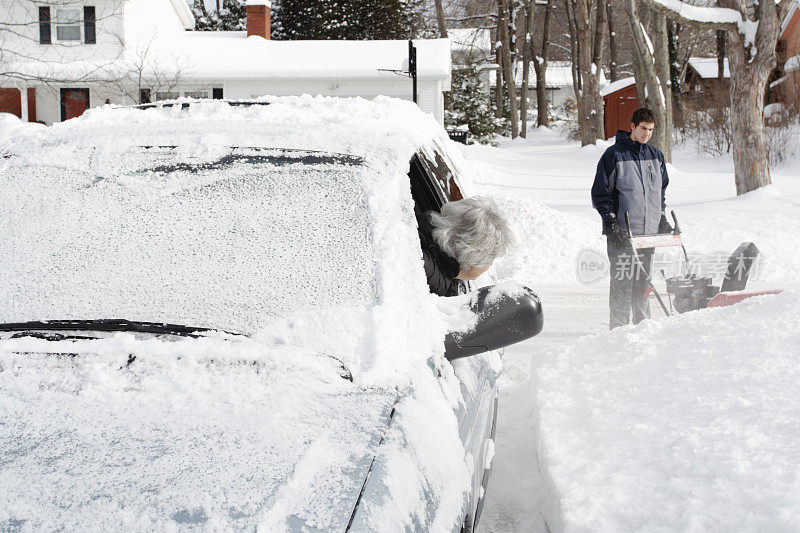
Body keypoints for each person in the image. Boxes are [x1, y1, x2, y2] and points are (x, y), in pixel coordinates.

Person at [591, 107, 673, 329]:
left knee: (643, 283)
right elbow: (600, 193)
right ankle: (618, 331)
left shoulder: (656, 156)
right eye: (643, 129)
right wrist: (610, 220)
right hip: (622, 234)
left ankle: (643, 328)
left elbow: (660, 192)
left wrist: (662, 217)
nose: (647, 134)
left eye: (651, 130)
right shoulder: (614, 156)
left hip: (648, 235)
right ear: (632, 127)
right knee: (622, 284)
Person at [418, 196, 513, 296]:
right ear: (473, 257)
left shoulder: (417, 235)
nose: (490, 265)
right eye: (490, 259)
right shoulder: (427, 277)